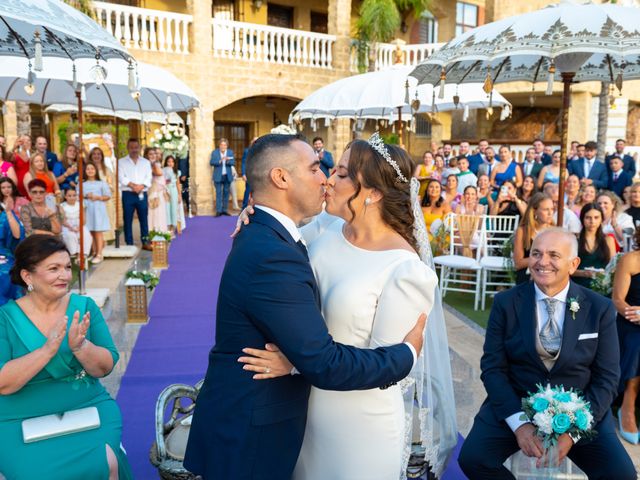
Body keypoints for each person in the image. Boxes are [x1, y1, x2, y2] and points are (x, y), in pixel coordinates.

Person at [184, 134, 433, 480]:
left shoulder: (406, 270)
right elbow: (278, 223)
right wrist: (252, 212)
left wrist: (299, 363)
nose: (328, 179)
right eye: (318, 168)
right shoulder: (327, 229)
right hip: (304, 413)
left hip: (355, 424)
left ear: (373, 192)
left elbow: (386, 366)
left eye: (341, 173)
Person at [459, 228, 636, 480]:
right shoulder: (505, 303)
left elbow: (607, 378)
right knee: (473, 459)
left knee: (621, 475)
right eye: (536, 253)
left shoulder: (600, 308)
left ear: (573, 264)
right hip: (518, 401)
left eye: (554, 255)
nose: (543, 262)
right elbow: (493, 369)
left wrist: (572, 433)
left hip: (581, 409)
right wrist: (520, 424)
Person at [0, 235, 133, 479]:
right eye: (54, 269)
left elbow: (106, 366)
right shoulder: (4, 318)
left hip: (88, 410)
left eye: (66, 267)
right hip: (20, 420)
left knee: (103, 466)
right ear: (28, 276)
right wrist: (46, 351)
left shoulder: (84, 307)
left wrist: (81, 347)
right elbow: (3, 382)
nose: (64, 275)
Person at [612, 239, 640, 444]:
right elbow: (618, 300)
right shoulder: (630, 260)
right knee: (637, 340)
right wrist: (635, 314)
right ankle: (627, 406)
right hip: (630, 320)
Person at [512, 193, 554, 284]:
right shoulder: (523, 231)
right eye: (546, 209)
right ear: (534, 211)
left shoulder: (555, 231)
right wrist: (542, 258)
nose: (550, 213)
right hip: (527, 274)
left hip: (549, 274)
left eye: (552, 209)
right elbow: (518, 263)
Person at [572, 204, 616, 289]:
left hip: (602, 287)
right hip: (579, 285)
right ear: (582, 219)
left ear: (601, 219)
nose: (592, 221)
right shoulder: (574, 239)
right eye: (588, 217)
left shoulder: (608, 239)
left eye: (596, 217)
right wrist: (584, 273)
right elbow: (566, 267)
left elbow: (612, 268)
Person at [118, 138, 152, 250]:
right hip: (128, 194)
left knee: (144, 218)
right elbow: (121, 177)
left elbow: (149, 177)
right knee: (127, 219)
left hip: (142, 193)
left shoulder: (146, 162)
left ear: (139, 148)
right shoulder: (121, 162)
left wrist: (141, 187)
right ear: (128, 148)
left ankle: (145, 241)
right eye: (131, 147)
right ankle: (129, 243)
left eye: (136, 147)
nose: (134, 150)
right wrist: (133, 186)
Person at [83, 162, 111, 264]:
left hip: (98, 208)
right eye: (88, 169)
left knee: (98, 231)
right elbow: (77, 195)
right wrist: (86, 196)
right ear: (85, 171)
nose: (90, 171)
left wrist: (97, 197)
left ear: (96, 171)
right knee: (90, 230)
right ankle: (94, 251)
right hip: (87, 209)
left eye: (92, 169)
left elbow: (107, 196)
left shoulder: (101, 183)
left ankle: (99, 253)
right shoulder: (82, 184)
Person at [88, 147, 116, 242]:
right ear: (91, 156)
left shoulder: (107, 170)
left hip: (105, 201)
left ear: (102, 156)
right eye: (94, 154)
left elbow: (112, 186)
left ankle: (105, 245)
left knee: (105, 223)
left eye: (99, 154)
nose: (96, 156)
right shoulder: (88, 170)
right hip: (92, 201)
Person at [60, 188, 92, 258]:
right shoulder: (62, 206)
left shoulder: (80, 204)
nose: (72, 198)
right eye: (69, 196)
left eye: (74, 195)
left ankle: (82, 254)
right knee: (70, 235)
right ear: (65, 196)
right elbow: (63, 220)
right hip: (68, 225)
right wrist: (70, 227)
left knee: (85, 235)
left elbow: (83, 219)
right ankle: (75, 253)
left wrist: (79, 227)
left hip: (79, 223)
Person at [210, 138, 235, 217]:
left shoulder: (230, 152)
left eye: (224, 145)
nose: (223, 146)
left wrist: (227, 160)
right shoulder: (215, 152)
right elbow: (211, 162)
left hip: (227, 175)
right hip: (218, 176)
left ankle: (224, 210)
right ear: (219, 145)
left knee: (226, 193)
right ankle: (218, 211)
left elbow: (233, 162)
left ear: (227, 146)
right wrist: (220, 161)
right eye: (221, 145)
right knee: (218, 193)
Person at [164, 155, 186, 232]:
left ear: (174, 163)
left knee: (174, 208)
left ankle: (174, 225)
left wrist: (179, 195)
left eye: (172, 161)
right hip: (166, 191)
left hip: (174, 191)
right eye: (168, 161)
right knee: (167, 208)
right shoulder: (163, 171)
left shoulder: (177, 172)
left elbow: (178, 184)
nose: (170, 163)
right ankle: (168, 225)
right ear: (166, 162)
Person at [148, 158, 169, 233]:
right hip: (155, 192)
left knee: (161, 212)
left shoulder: (156, 163)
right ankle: (154, 231)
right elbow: (159, 173)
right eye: (151, 154)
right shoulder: (150, 165)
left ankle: (161, 230)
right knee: (155, 212)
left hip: (160, 192)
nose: (154, 156)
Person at [241, 137, 258, 209]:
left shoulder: (262, 151)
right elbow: (244, 163)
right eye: (254, 141)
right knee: (248, 191)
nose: (255, 142)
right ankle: (243, 208)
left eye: (257, 141)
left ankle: (256, 208)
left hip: (259, 175)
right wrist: (243, 173)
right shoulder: (247, 151)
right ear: (252, 142)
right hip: (249, 174)